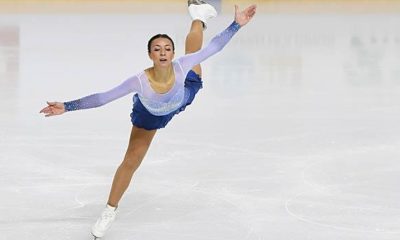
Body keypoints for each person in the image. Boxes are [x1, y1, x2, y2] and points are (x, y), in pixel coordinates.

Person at [39, 1, 256, 238]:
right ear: (150, 54)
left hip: (183, 96)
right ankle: (110, 210)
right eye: (157, 49)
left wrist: (236, 25)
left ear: (172, 54)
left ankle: (199, 17)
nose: (163, 52)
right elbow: (103, 98)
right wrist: (67, 107)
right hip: (149, 115)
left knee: (195, 56)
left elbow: (215, 46)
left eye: (167, 48)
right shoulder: (140, 81)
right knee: (131, 160)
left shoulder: (182, 65)